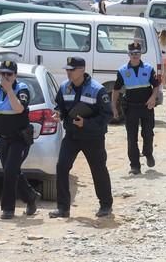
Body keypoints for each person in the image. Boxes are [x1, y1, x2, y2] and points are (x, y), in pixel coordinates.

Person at [49, 57, 113, 218]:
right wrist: (58, 114)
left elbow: (107, 115)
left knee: (98, 170)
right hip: (72, 136)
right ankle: (63, 208)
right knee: (62, 167)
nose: (68, 72)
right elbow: (60, 107)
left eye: (72, 69)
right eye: (67, 69)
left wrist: (86, 123)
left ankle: (105, 205)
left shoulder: (97, 89)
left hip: (93, 137)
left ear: (82, 70)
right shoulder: (64, 87)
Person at [0, 60, 39, 219]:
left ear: (15, 75)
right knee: (11, 171)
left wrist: (9, 91)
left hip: (19, 139)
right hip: (3, 139)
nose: (5, 77)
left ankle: (8, 209)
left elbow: (19, 108)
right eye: (3, 73)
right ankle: (31, 197)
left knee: (10, 172)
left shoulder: (22, 89)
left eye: (9, 74)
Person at [112, 42, 161, 175]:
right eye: (132, 54)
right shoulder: (123, 71)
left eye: (137, 53)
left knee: (148, 133)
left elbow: (156, 85)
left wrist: (153, 97)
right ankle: (135, 165)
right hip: (131, 107)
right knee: (131, 137)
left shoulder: (148, 68)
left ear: (141, 54)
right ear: (128, 54)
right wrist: (114, 108)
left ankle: (148, 153)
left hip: (147, 106)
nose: (135, 56)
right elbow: (116, 90)